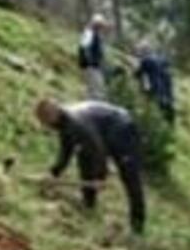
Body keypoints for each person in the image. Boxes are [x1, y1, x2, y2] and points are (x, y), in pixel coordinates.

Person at [35, 98, 145, 234]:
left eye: (46, 123)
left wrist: (100, 176)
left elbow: (97, 148)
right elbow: (66, 150)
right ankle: (88, 204)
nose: (47, 127)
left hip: (122, 127)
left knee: (129, 175)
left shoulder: (76, 124)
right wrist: (54, 173)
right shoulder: (64, 123)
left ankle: (137, 225)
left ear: (52, 116)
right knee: (84, 156)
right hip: (104, 129)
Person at [135, 41, 175, 124]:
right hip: (167, 86)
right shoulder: (161, 57)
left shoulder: (145, 60)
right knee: (169, 106)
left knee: (159, 107)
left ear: (143, 51)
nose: (138, 54)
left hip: (157, 87)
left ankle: (160, 125)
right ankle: (170, 125)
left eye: (139, 51)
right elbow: (169, 65)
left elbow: (138, 74)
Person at [78, 14, 109, 100]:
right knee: (95, 88)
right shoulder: (89, 33)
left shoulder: (95, 34)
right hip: (91, 66)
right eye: (100, 25)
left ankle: (93, 102)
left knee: (95, 87)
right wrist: (90, 63)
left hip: (94, 65)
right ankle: (94, 103)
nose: (101, 28)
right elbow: (84, 48)